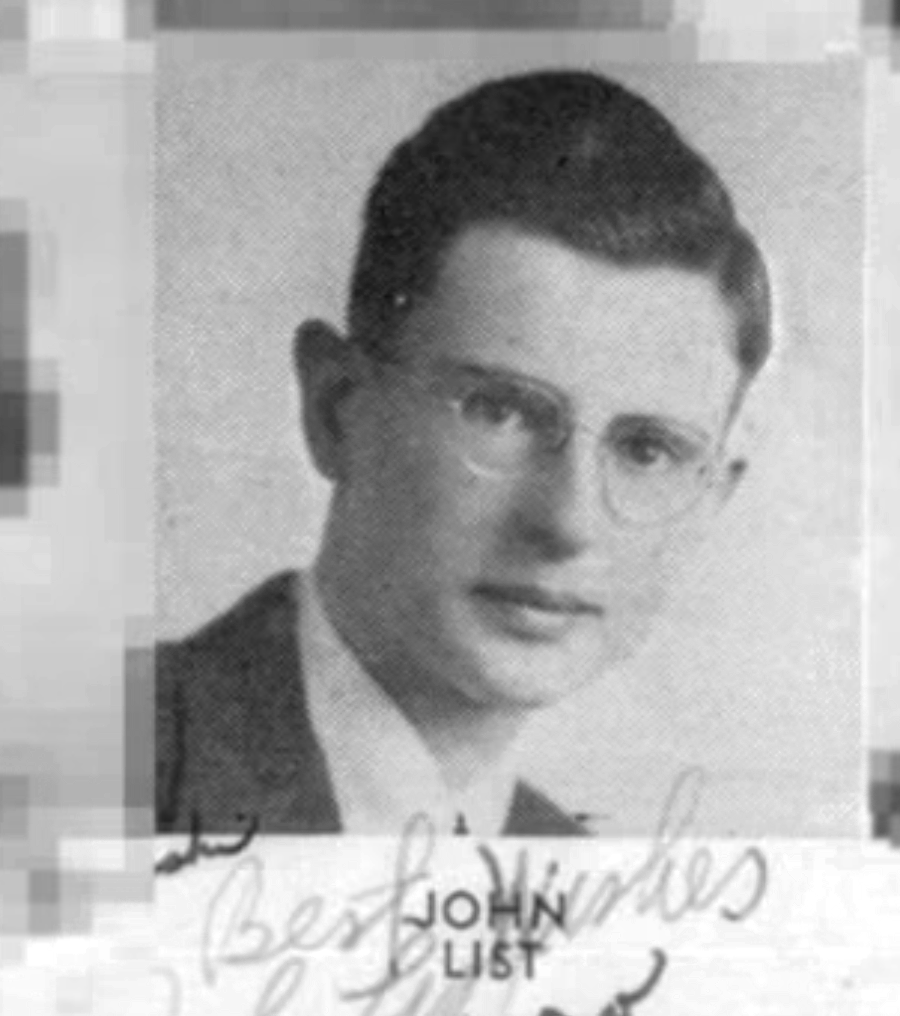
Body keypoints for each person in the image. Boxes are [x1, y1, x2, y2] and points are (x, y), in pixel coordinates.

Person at [155, 69, 772, 837]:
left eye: (647, 449)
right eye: (501, 411)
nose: (569, 521)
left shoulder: (592, 891)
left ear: (711, 500)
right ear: (337, 410)